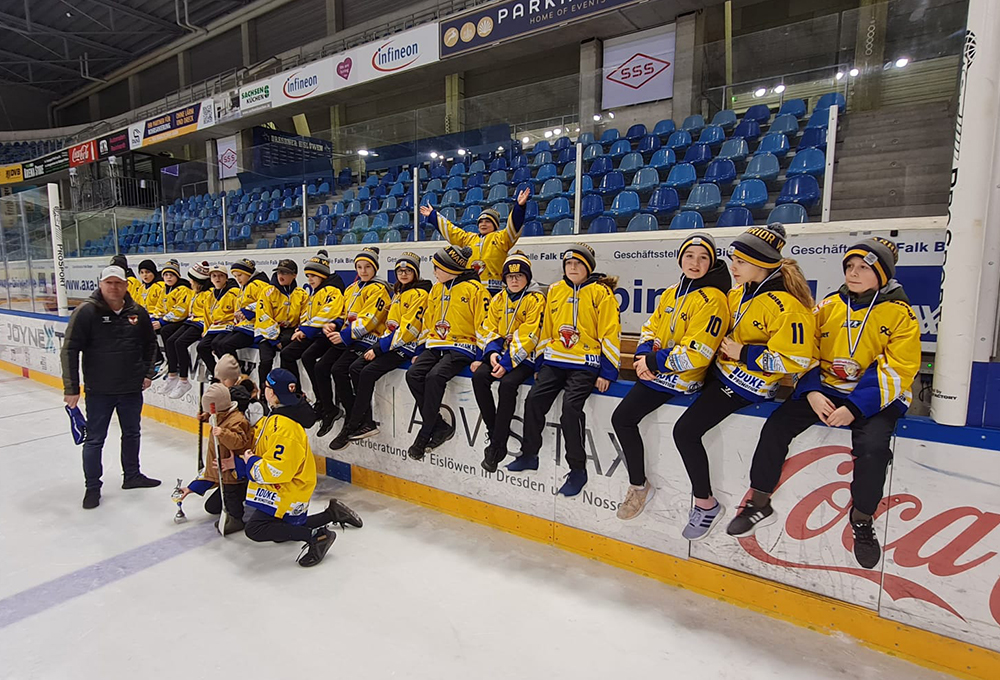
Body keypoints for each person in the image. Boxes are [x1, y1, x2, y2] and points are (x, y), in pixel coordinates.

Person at [726, 238, 920, 569]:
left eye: (863, 268)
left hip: (874, 398)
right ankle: (759, 501)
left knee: (873, 449)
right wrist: (812, 391)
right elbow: (806, 351)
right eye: (849, 267)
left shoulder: (901, 315)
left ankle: (861, 518)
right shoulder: (828, 306)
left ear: (882, 274)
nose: (853, 273)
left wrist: (855, 408)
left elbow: (897, 368)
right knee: (776, 427)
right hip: (826, 388)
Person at [672, 223, 815, 541]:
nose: (732, 266)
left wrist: (745, 353)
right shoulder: (737, 295)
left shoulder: (788, 307)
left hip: (745, 386)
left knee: (685, 431)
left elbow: (795, 360)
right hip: (720, 375)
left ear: (762, 264)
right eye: (733, 259)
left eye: (740, 261)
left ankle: (705, 503)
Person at [610, 234, 731, 520]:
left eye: (703, 258)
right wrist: (642, 356)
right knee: (621, 418)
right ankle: (639, 486)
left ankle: (704, 501)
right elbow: (651, 327)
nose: (695, 263)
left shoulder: (714, 299)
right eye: (690, 256)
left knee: (683, 432)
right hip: (657, 372)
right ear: (680, 259)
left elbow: (697, 353)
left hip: (684, 378)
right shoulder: (672, 292)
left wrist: (651, 362)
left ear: (711, 262)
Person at [505, 243, 620, 497]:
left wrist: (608, 371)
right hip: (555, 361)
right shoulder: (555, 290)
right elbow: (546, 331)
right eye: (568, 264)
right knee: (534, 400)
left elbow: (610, 332)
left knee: (570, 410)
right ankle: (529, 454)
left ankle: (577, 469)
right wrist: (540, 363)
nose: (573, 267)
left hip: (586, 364)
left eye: (578, 263)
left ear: (588, 267)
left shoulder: (601, 293)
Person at [237, 369, 363, 567]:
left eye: (267, 387)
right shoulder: (278, 413)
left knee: (256, 529)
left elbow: (280, 470)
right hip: (286, 484)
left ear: (273, 393)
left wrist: (251, 463)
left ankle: (317, 537)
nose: (264, 390)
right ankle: (331, 514)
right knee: (280, 530)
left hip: (288, 487)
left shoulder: (285, 427)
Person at [61, 265, 160, 509]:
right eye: (109, 283)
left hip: (130, 388)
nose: (114, 287)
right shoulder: (86, 312)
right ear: (101, 284)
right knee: (95, 440)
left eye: (119, 283)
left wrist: (148, 374)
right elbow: (70, 350)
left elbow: (150, 344)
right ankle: (92, 487)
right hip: (99, 390)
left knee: (132, 433)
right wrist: (71, 387)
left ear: (126, 285)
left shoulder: (137, 312)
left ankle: (132, 475)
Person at [328, 252, 431, 451]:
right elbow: (390, 327)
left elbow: (408, 330)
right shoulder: (400, 293)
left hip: (405, 347)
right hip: (391, 343)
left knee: (365, 371)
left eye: (408, 270)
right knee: (356, 368)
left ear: (416, 272)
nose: (403, 274)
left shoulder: (419, 294)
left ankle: (354, 424)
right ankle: (364, 421)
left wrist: (378, 348)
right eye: (400, 270)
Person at [405, 244, 490, 460]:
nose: (434, 272)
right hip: (435, 345)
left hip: (463, 346)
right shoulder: (436, 289)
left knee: (435, 377)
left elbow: (484, 323)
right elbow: (428, 321)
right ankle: (439, 425)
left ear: (451, 268)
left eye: (437, 267)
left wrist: (481, 356)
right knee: (413, 374)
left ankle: (425, 433)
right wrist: (421, 347)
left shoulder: (475, 289)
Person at [470, 251, 545, 472]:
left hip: (524, 358)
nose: (514, 280)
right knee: (480, 376)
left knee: (508, 384)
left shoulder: (535, 299)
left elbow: (530, 335)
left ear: (527, 278)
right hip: (500, 355)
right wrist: (492, 353)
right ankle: (496, 436)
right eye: (510, 276)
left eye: (519, 276)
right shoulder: (499, 298)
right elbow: (487, 328)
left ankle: (496, 446)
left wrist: (505, 363)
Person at [313, 247, 391, 437]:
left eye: (367, 267)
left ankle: (355, 415)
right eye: (359, 267)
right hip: (349, 338)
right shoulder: (351, 288)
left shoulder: (379, 289)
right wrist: (334, 324)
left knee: (339, 369)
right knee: (321, 366)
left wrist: (345, 335)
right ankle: (335, 410)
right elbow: (344, 313)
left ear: (375, 268)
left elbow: (370, 319)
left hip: (368, 339)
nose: (363, 271)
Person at [420, 187, 531, 295]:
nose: (483, 224)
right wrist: (433, 216)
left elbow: (514, 226)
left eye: (488, 221)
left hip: (494, 289)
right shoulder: (468, 238)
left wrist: (519, 208)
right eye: (480, 222)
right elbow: (451, 230)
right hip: (470, 289)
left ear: (495, 225)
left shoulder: (502, 238)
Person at [173, 384, 252, 534]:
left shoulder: (236, 420)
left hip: (233, 474)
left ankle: (236, 519)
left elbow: (239, 441)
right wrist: (192, 488)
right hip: (222, 471)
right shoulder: (219, 418)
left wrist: (223, 434)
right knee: (212, 507)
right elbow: (211, 468)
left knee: (231, 494)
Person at [255, 258, 308, 392]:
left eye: (285, 273)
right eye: (279, 272)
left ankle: (293, 390)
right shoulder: (268, 291)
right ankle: (263, 390)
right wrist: (274, 339)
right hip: (267, 333)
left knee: (287, 355)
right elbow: (263, 316)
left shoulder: (301, 294)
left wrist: (300, 329)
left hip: (289, 331)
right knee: (266, 360)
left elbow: (306, 316)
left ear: (294, 275)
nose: (281, 275)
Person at [164, 261, 212, 399]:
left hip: (201, 323)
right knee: (171, 340)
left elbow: (210, 313)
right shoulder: (195, 292)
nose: (190, 281)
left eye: (192, 279)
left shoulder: (208, 294)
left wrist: (207, 329)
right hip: (191, 321)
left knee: (180, 343)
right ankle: (172, 375)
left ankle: (184, 380)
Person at [213, 258, 270, 365]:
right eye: (235, 276)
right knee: (217, 344)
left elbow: (266, 303)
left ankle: (236, 373)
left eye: (240, 275)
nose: (238, 279)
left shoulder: (258, 285)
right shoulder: (245, 286)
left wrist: (246, 311)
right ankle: (229, 371)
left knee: (226, 345)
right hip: (243, 325)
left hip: (256, 326)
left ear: (248, 273)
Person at [157, 259, 194, 396]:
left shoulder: (183, 289)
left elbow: (180, 311)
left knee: (167, 332)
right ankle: (170, 367)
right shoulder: (164, 290)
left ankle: (173, 366)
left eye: (171, 275)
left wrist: (162, 321)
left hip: (182, 320)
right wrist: (154, 318)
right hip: (170, 320)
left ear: (177, 276)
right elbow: (159, 308)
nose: (168, 278)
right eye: (166, 275)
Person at [196, 264, 240, 378]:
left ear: (226, 278)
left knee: (218, 344)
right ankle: (216, 373)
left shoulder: (234, 292)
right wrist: (205, 329)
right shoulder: (210, 296)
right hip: (214, 328)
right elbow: (206, 315)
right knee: (201, 347)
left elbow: (237, 312)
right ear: (210, 279)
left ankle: (235, 371)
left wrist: (232, 322)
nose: (217, 278)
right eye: (214, 276)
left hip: (228, 326)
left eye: (220, 276)